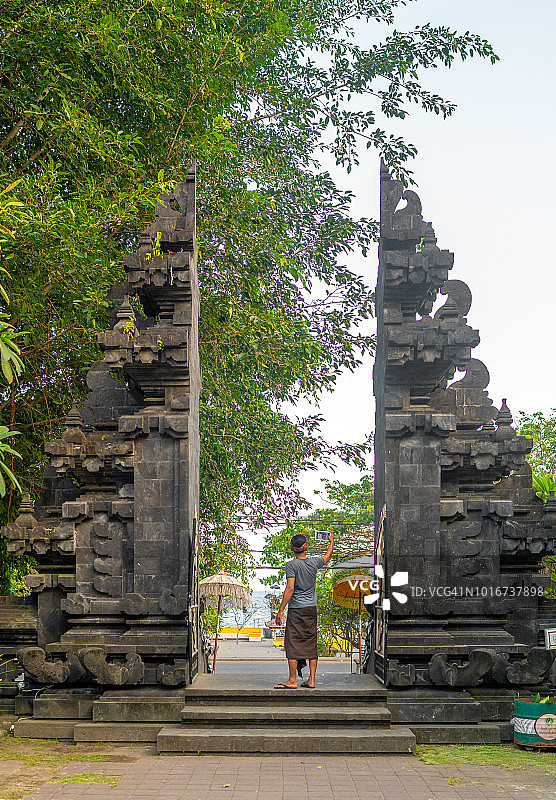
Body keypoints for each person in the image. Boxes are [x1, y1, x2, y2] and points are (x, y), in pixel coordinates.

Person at [273, 531, 334, 689]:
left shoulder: (291, 565)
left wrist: (280, 611)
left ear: (293, 549)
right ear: (306, 547)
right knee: (311, 642)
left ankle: (293, 680)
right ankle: (311, 680)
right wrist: (331, 542)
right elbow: (327, 557)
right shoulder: (314, 563)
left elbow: (290, 588)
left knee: (292, 643)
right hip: (311, 609)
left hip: (296, 610)